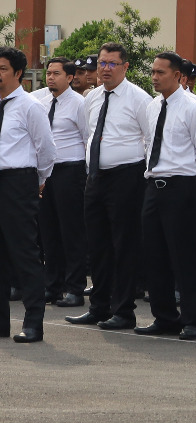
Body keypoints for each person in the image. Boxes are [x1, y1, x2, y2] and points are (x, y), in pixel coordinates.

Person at [68, 43, 151, 330]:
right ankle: (99, 306)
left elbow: (151, 139)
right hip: (97, 178)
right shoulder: (92, 99)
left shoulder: (139, 98)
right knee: (98, 245)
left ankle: (124, 310)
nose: (105, 68)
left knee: (124, 244)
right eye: (102, 63)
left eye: (112, 63)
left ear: (125, 67)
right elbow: (88, 133)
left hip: (127, 177)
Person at [136, 51, 196, 340]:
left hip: (182, 186)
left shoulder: (193, 107)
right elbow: (149, 142)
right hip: (153, 186)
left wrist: (195, 180)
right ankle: (164, 316)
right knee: (154, 255)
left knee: (185, 257)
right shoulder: (153, 106)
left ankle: (193, 321)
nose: (154, 77)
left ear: (178, 76)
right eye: (153, 72)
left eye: (161, 73)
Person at [0, 45, 55, 342]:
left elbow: (46, 149)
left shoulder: (29, 106)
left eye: (2, 69)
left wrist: (38, 181)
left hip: (18, 182)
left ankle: (33, 323)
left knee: (24, 254)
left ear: (18, 73)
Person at [36, 55, 88, 308]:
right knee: (48, 231)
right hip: (47, 172)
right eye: (48, 73)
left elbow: (88, 138)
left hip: (71, 169)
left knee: (71, 231)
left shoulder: (79, 104)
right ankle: (52, 285)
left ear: (70, 77)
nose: (50, 78)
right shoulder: (42, 102)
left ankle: (75, 288)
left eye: (56, 74)